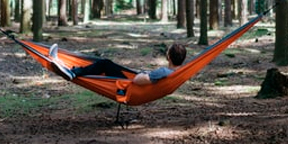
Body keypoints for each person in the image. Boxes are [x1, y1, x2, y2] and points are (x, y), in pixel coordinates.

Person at [49, 43, 187, 85]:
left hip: (128, 86)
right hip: (133, 84)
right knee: (105, 64)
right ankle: (72, 70)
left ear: (168, 56)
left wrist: (143, 73)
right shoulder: (177, 74)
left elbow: (139, 81)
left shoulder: (164, 72)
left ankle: (72, 72)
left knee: (104, 64)